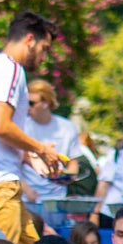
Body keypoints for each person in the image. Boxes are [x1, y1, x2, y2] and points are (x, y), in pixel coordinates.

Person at [0, 11, 64, 244]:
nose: (44, 56)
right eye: (45, 48)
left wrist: (29, 157)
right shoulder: (11, 70)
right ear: (30, 40)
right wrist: (40, 148)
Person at [21, 81, 85, 217]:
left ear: (46, 103)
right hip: (30, 200)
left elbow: (73, 161)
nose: (27, 108)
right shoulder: (22, 127)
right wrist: (26, 190)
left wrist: (69, 176)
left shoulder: (67, 127)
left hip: (58, 199)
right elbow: (14, 163)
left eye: (32, 103)